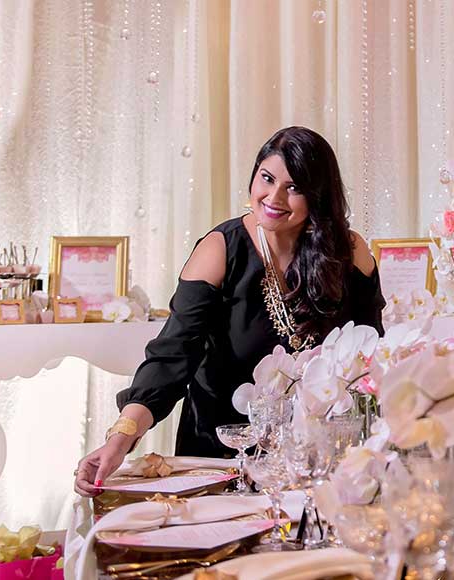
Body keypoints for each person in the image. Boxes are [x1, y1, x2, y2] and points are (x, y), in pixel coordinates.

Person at [74, 127, 385, 497]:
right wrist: (121, 436)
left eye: (293, 187)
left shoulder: (349, 252)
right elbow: (173, 354)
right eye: (267, 179)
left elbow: (371, 356)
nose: (274, 197)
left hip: (315, 464)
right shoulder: (220, 248)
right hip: (220, 461)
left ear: (318, 195)